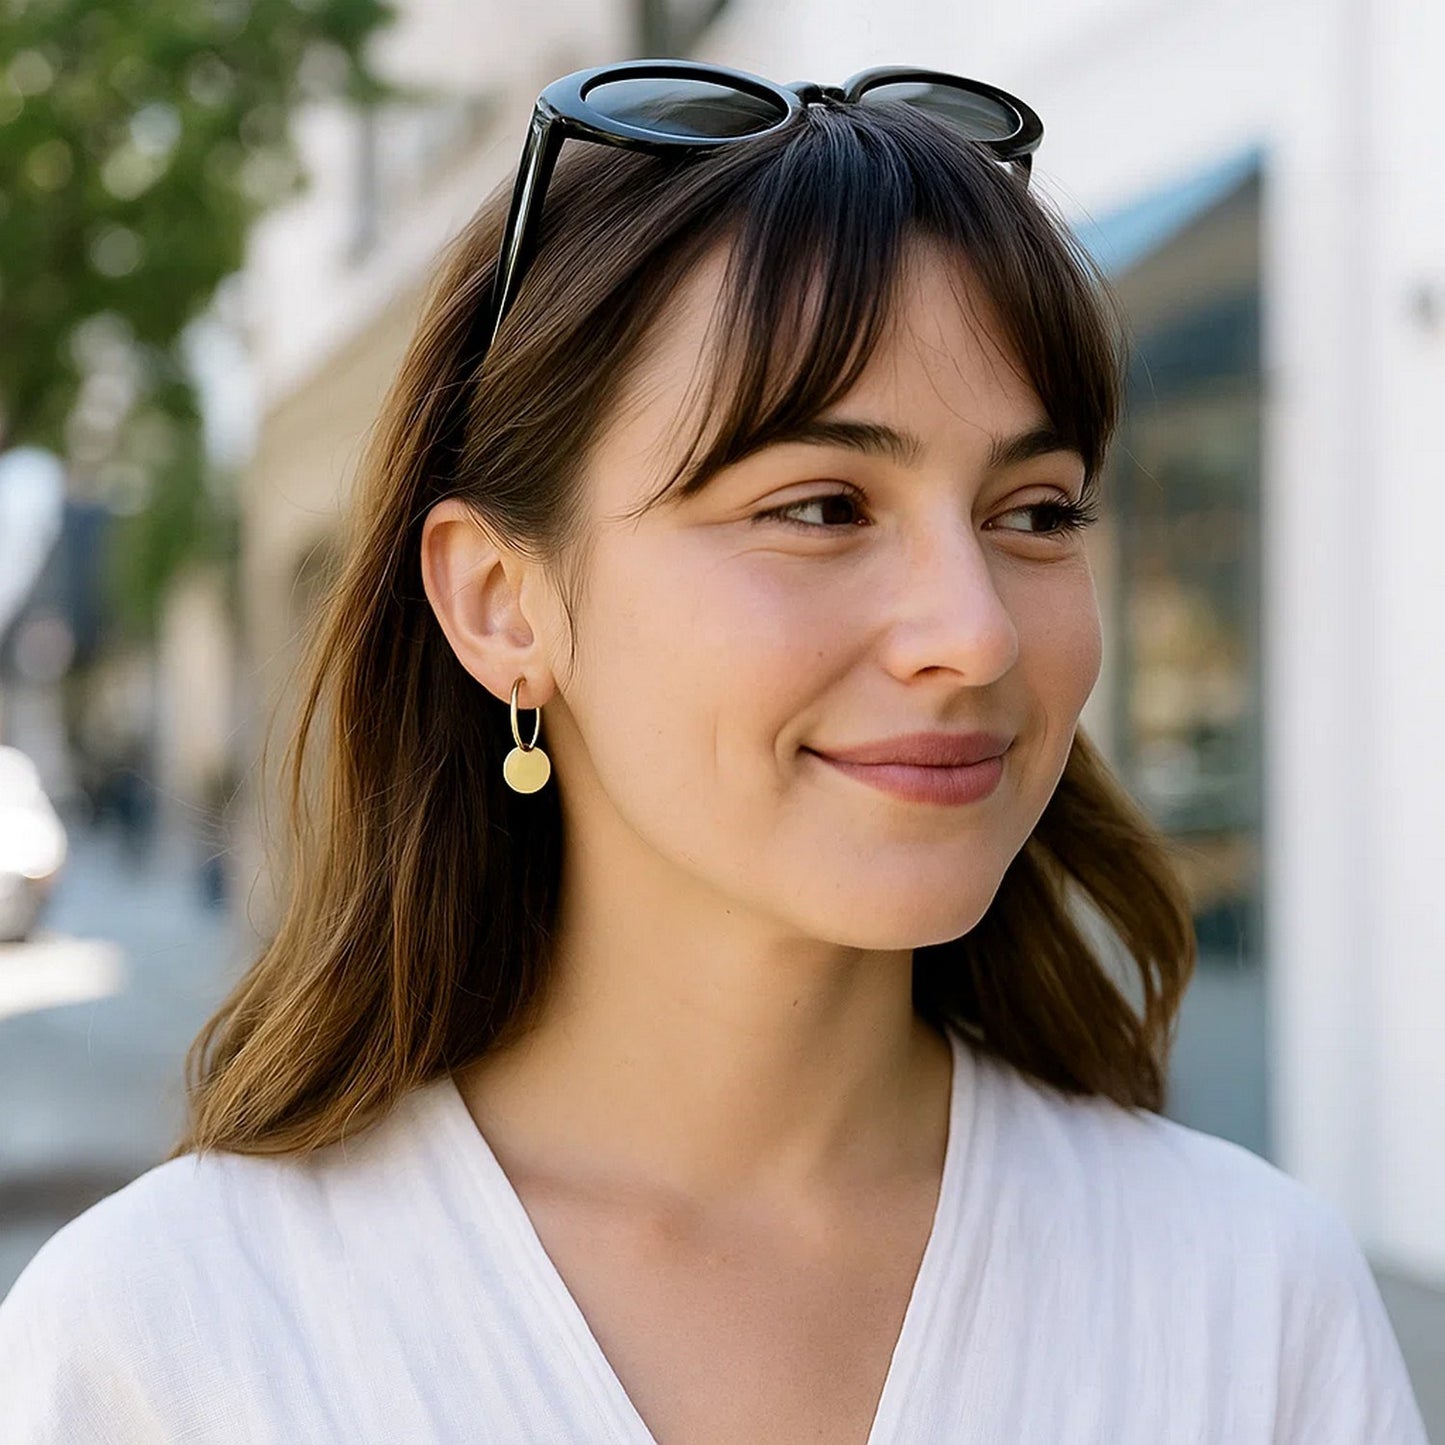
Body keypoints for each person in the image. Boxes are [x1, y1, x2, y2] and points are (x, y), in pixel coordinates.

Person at [0, 60, 1428, 1444]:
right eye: (817, 506)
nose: (975, 632)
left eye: (1037, 510)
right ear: (502, 604)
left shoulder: (1248, 1303)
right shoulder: (168, 1343)